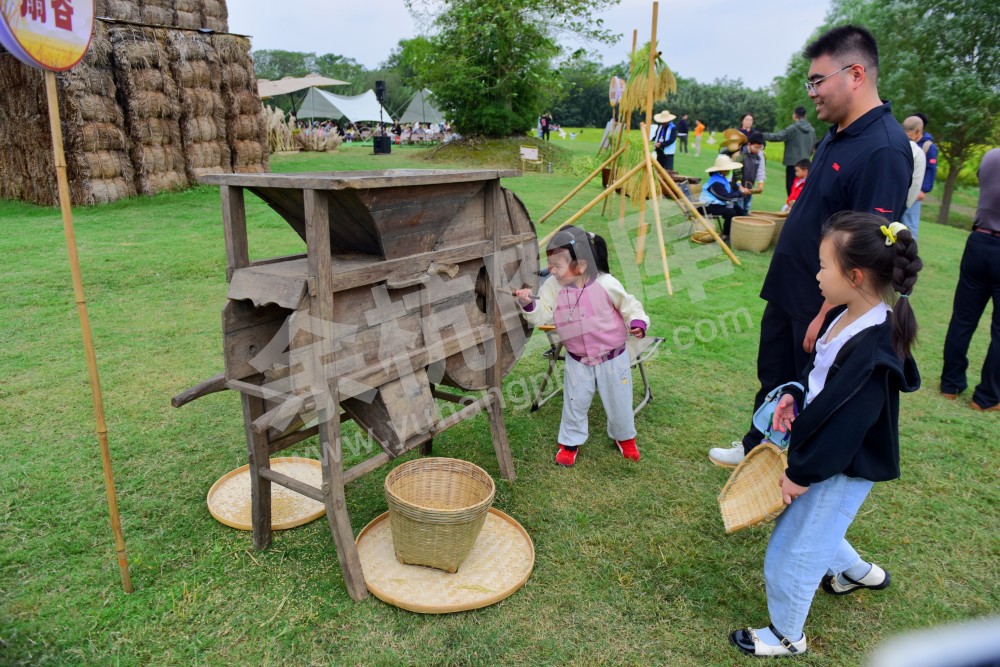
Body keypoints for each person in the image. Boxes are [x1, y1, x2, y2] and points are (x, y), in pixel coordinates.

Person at [708, 24, 913, 467]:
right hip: (791, 285)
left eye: (817, 80)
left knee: (806, 393)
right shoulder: (838, 132)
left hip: (821, 304)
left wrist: (825, 316)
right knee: (774, 379)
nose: (813, 91)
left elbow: (865, 254)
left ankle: (788, 470)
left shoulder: (884, 149)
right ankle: (756, 449)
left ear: (855, 74)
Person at [730, 213, 922, 657]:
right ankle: (856, 572)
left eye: (822, 266)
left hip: (838, 466)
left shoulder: (874, 349)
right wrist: (794, 395)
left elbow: (846, 426)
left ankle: (786, 635)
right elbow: (818, 380)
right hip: (823, 459)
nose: (816, 274)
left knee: (795, 548)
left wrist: (802, 473)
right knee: (819, 528)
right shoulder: (846, 314)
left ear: (854, 276)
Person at [515, 226, 650, 467]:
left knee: (619, 400)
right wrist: (528, 305)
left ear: (581, 265)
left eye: (558, 266)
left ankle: (625, 437)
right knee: (575, 402)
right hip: (577, 359)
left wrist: (637, 323)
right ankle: (569, 442)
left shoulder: (607, 283)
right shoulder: (552, 287)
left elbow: (631, 307)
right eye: (551, 265)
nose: (552, 271)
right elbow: (542, 316)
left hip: (613, 356)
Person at [940, 147, 1000, 411]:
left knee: (963, 318)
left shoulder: (991, 156)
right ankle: (986, 398)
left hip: (978, 240)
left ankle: (950, 385)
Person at [763, 106, 818, 196]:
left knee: (791, 190)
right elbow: (813, 147)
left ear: (795, 115)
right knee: (802, 191)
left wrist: (761, 135)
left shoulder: (793, 128)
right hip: (806, 165)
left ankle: (791, 209)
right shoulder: (812, 130)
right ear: (806, 116)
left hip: (793, 164)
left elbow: (777, 137)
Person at [899, 114, 938, 239]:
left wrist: (924, 189)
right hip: (902, 188)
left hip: (915, 189)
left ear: (918, 131)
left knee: (910, 224)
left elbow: (931, 169)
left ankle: (909, 253)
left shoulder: (927, 146)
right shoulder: (901, 141)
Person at [699, 154, 750, 242]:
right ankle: (726, 235)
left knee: (738, 209)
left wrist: (741, 194)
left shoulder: (721, 178)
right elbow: (725, 197)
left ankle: (738, 233)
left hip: (714, 205)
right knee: (730, 212)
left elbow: (728, 194)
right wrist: (741, 193)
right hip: (705, 207)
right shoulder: (716, 181)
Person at [902, 116, 927, 236]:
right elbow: (916, 183)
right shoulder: (917, 153)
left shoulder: (889, 143)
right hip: (901, 202)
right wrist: (907, 205)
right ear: (917, 132)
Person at [734, 131, 767, 213]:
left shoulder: (760, 155)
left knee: (746, 208)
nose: (758, 150)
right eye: (756, 147)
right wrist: (740, 187)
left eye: (760, 147)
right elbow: (736, 172)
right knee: (738, 208)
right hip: (737, 187)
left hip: (749, 187)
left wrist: (760, 184)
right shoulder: (741, 154)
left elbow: (761, 170)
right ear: (749, 144)